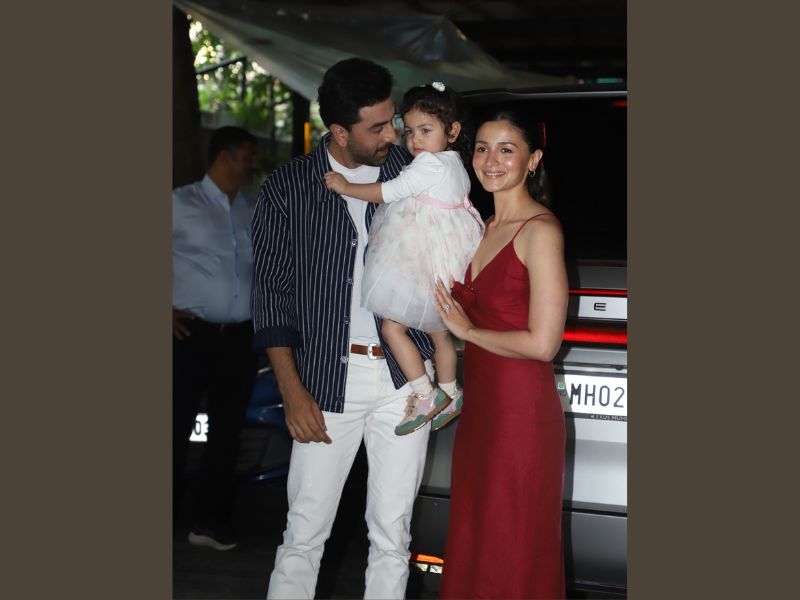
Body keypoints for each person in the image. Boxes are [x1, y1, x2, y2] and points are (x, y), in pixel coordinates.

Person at [251, 57, 437, 599]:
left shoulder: (416, 173)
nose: (393, 135)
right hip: (328, 381)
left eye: (392, 120)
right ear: (339, 131)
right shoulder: (289, 187)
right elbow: (271, 296)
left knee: (393, 536)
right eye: (377, 127)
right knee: (304, 534)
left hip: (406, 379)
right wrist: (292, 390)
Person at [433, 110, 569, 599]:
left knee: (510, 548)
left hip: (520, 418)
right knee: (476, 539)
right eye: (482, 148)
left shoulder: (540, 231)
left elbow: (543, 343)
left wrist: (468, 330)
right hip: (482, 413)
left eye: (507, 149)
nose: (491, 160)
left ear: (533, 160)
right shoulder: (482, 225)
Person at [323, 83, 484, 436]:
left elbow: (388, 192)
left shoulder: (428, 164)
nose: (414, 141)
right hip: (446, 264)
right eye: (410, 132)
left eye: (425, 130)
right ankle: (451, 393)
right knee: (440, 334)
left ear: (452, 131)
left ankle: (424, 393)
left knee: (391, 328)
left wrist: (346, 187)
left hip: (419, 259)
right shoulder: (456, 163)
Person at [172, 125, 260, 551]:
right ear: (226, 156)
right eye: (248, 155)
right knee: (172, 426)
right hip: (189, 335)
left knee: (227, 433)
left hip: (239, 339)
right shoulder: (179, 202)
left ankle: (208, 523)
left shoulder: (250, 208)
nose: (253, 163)